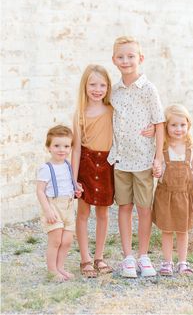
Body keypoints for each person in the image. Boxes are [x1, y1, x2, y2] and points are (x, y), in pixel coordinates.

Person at [107, 36, 165, 278]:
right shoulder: (114, 91)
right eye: (121, 57)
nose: (126, 61)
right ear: (114, 60)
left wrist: (158, 157)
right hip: (121, 160)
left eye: (131, 56)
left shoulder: (149, 89)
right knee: (124, 207)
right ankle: (128, 257)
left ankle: (143, 255)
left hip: (143, 160)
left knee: (143, 208)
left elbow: (159, 122)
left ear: (140, 59)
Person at [72, 64, 115, 278]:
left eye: (102, 85)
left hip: (107, 163)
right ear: (85, 86)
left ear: (108, 87)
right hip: (87, 164)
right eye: (92, 84)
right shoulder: (80, 113)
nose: (97, 89)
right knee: (83, 212)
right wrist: (73, 178)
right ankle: (85, 258)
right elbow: (77, 148)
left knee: (103, 212)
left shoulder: (111, 110)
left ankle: (99, 256)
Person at [152, 104, 193, 276]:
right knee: (166, 230)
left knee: (182, 230)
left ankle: (182, 262)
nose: (178, 129)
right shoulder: (162, 148)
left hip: (185, 196)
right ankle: (167, 262)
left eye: (182, 124)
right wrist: (156, 171)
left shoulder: (192, 148)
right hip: (166, 195)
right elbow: (157, 171)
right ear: (166, 126)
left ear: (188, 124)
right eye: (174, 125)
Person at [36, 125, 82, 281]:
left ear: (70, 148)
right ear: (49, 147)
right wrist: (48, 210)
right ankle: (52, 270)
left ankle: (60, 267)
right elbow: (40, 191)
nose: (61, 149)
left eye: (66, 146)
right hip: (53, 207)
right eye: (56, 145)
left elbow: (68, 184)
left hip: (68, 206)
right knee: (55, 240)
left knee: (67, 240)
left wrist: (76, 190)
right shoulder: (46, 168)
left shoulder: (68, 166)